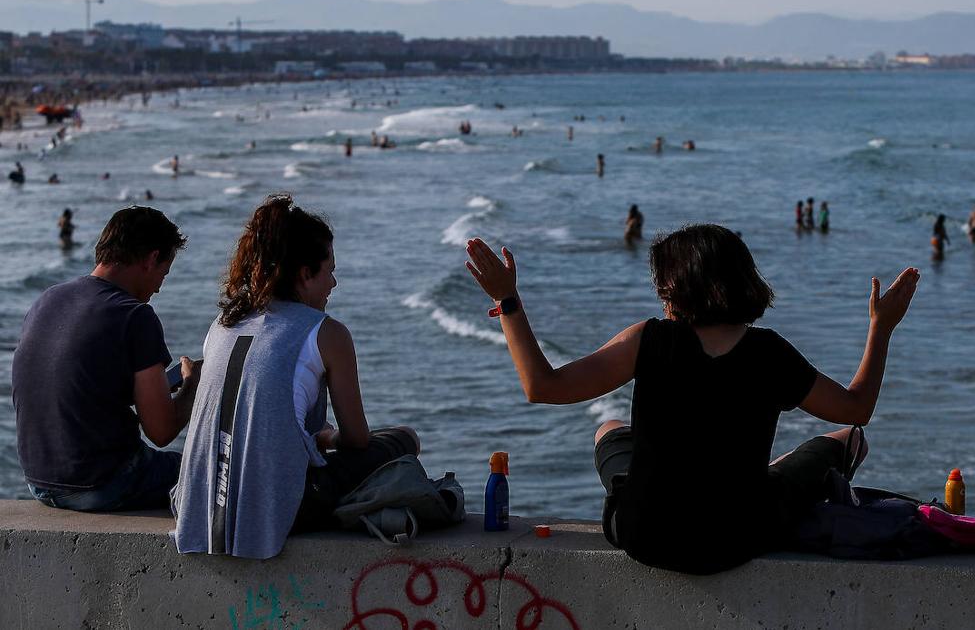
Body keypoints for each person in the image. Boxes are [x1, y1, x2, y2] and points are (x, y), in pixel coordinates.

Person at [463, 226, 919, 574]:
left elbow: (542, 386)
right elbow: (857, 409)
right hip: (738, 539)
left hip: (643, 535)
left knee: (608, 430)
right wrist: (882, 327)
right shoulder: (769, 352)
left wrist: (507, 299)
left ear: (675, 289)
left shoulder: (649, 340)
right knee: (846, 437)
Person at [173, 195, 421, 559]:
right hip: (274, 512)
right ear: (305, 273)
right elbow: (356, 439)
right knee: (403, 440)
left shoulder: (222, 325)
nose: (334, 282)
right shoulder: (327, 333)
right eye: (329, 270)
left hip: (197, 508)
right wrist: (328, 437)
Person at [12, 206, 196, 511]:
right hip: (101, 483)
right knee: (218, 474)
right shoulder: (135, 315)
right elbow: (161, 432)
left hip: (40, 482)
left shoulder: (48, 298)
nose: (159, 287)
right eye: (164, 273)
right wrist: (192, 386)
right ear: (151, 259)